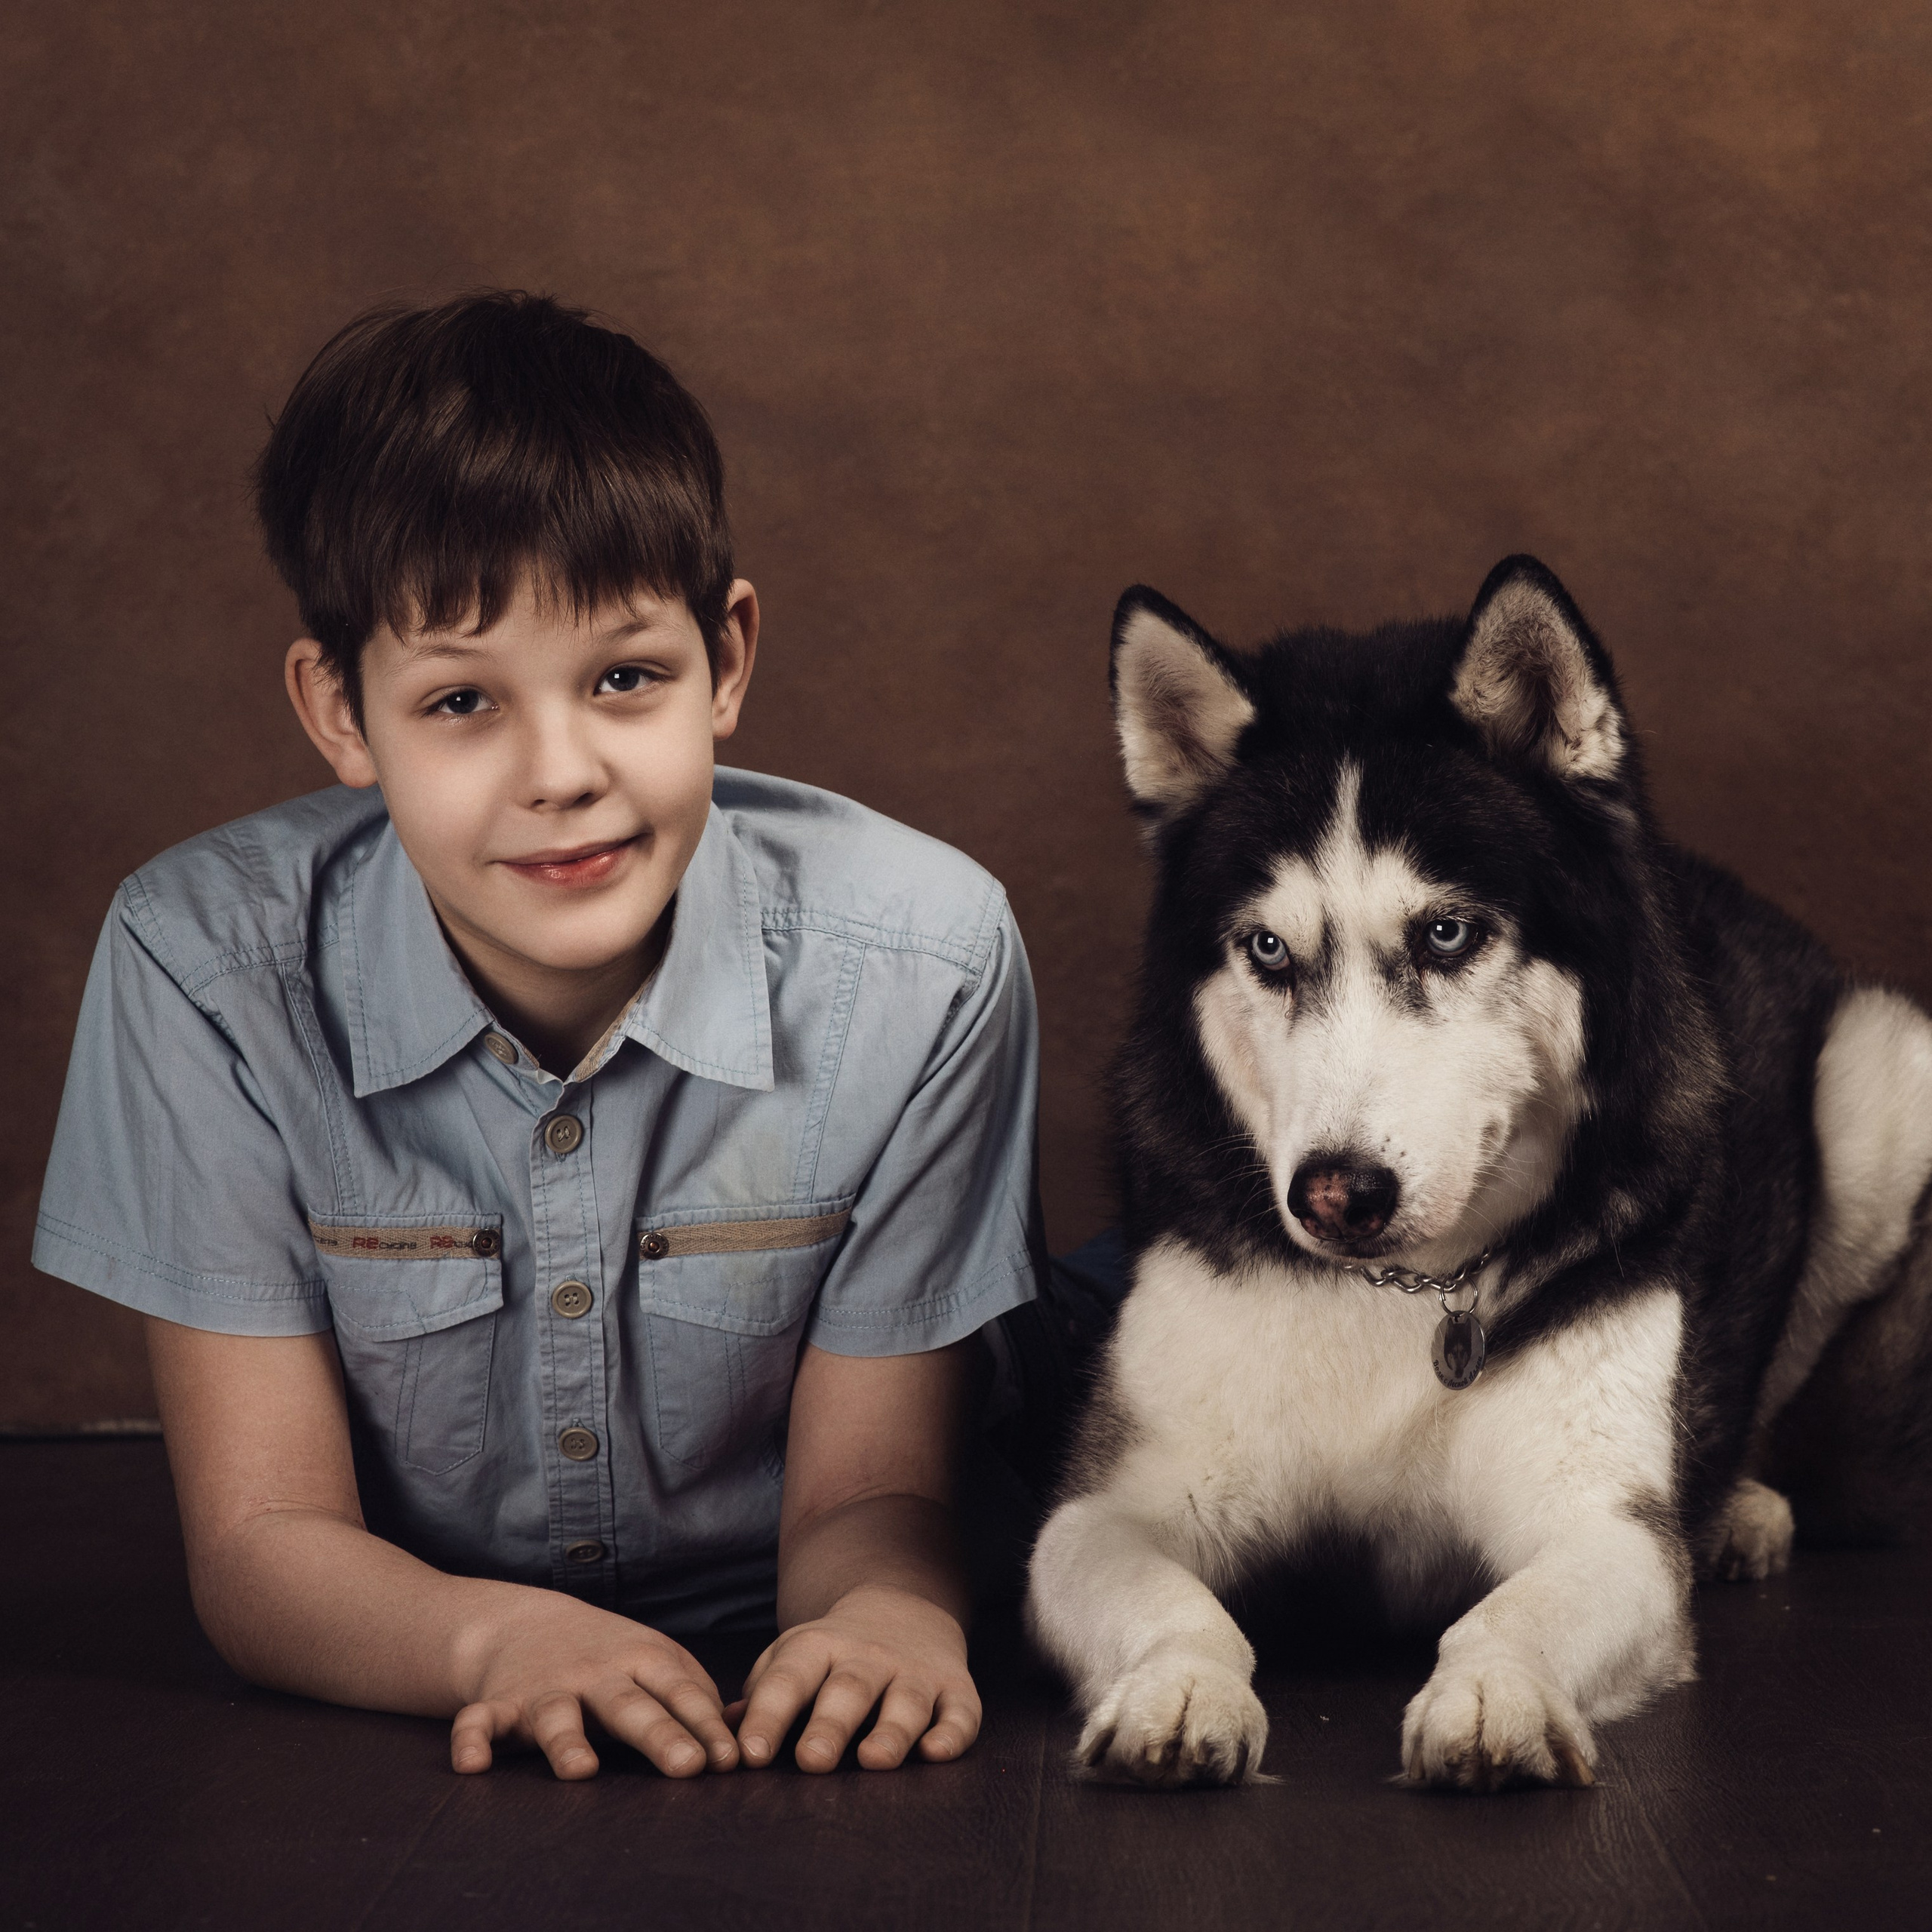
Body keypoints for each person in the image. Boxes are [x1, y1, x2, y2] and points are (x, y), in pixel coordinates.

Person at [32, 291, 1043, 1782]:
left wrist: (883, 1616)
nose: (561, 771)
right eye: (458, 699)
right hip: (407, 1678)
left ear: (728, 657)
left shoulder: (925, 960)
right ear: (341, 714)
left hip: (770, 1658)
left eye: (624, 676)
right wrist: (488, 1642)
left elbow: (864, 1496)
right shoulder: (199, 964)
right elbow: (262, 1539)